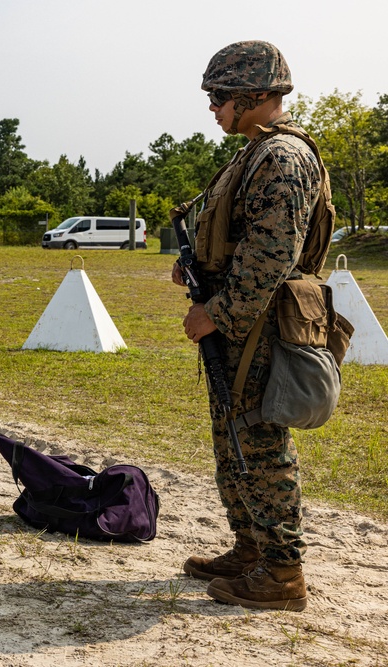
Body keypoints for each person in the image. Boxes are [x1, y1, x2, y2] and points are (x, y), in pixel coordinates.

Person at [173, 41, 326, 612]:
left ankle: (283, 573)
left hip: (257, 327)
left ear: (256, 95)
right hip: (238, 326)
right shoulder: (253, 154)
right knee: (232, 440)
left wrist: (216, 312)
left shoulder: (282, 157)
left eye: (220, 97)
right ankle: (251, 548)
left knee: (259, 444)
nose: (212, 108)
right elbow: (237, 237)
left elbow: (271, 255)